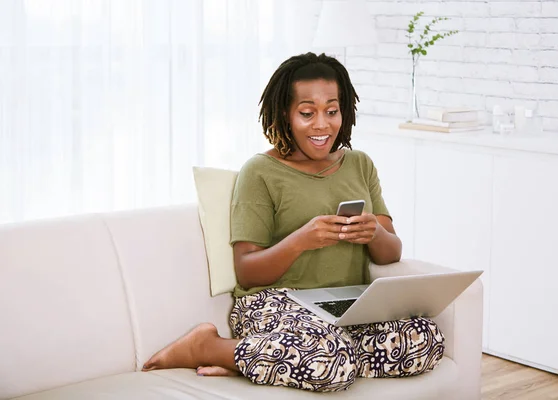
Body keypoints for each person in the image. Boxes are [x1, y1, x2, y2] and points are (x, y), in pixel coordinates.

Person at [142, 52, 444, 392]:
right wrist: (301, 240)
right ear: (285, 115)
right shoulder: (259, 172)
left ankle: (266, 361)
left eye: (332, 111)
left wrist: (373, 231)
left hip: (345, 307)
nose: (322, 124)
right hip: (273, 305)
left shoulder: (360, 164)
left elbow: (390, 253)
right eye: (306, 113)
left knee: (425, 337)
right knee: (332, 359)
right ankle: (208, 347)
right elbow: (247, 270)